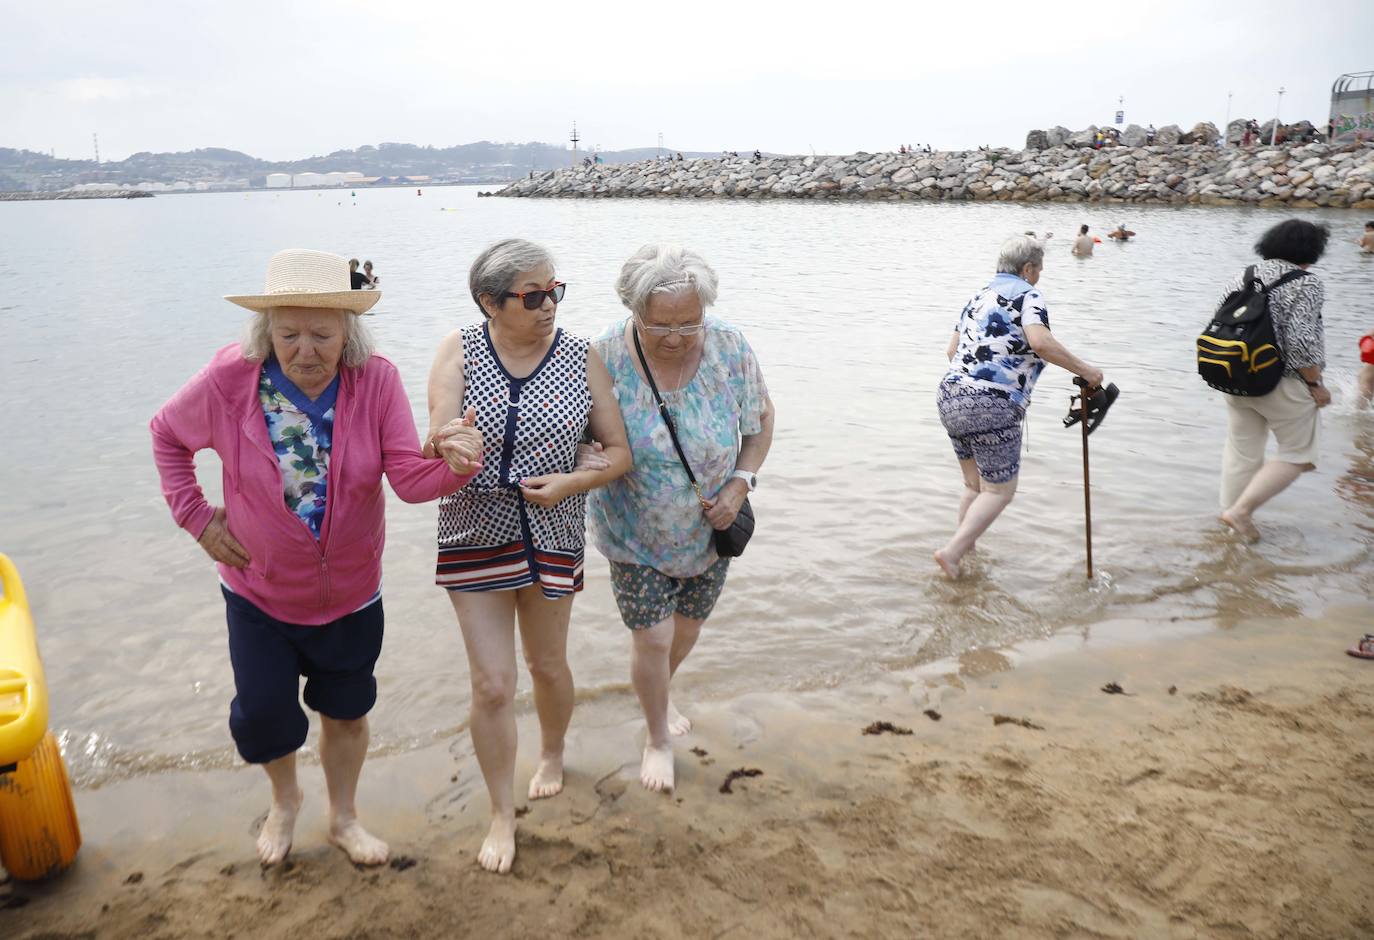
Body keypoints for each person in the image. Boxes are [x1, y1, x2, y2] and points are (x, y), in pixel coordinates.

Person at [150, 249, 483, 867]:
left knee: (347, 711)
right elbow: (167, 434)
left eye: (323, 335)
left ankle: (344, 818)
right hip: (258, 595)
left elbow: (408, 479)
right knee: (265, 715)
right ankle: (284, 802)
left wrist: (458, 464)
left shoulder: (375, 379)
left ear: (348, 332)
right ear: (265, 331)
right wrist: (195, 517)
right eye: (288, 334)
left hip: (352, 594)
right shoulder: (230, 381)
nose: (305, 350)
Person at [426, 238, 632, 874]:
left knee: (546, 665)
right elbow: (437, 433)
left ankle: (551, 750)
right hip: (473, 533)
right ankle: (499, 813)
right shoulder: (459, 348)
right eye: (533, 295)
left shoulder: (579, 355)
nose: (550, 306)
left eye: (555, 291)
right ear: (489, 302)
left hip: (553, 535)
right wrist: (447, 443)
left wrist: (575, 482)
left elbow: (619, 452)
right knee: (492, 683)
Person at [584, 245, 774, 795]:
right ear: (632, 310)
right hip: (633, 530)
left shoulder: (730, 347)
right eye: (658, 324)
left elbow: (760, 426)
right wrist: (583, 458)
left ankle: (656, 697)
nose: (675, 335)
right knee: (653, 636)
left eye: (689, 321)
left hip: (713, 525)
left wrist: (741, 483)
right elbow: (579, 436)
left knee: (686, 629)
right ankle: (656, 737)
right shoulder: (602, 354)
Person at [934, 235, 1104, 578]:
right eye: (1039, 269)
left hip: (950, 394)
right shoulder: (1028, 294)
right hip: (991, 403)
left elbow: (952, 351)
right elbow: (1040, 342)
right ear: (1028, 269)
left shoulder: (976, 296)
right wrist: (1086, 370)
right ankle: (952, 553)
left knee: (974, 486)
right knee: (999, 491)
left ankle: (966, 555)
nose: (1039, 275)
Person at [1215, 220, 1331, 542]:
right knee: (1299, 453)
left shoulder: (1245, 274)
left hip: (1236, 376)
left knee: (1242, 452)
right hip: (1282, 381)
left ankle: (1229, 519)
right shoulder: (1307, 283)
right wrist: (1315, 384)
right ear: (1311, 250)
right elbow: (1301, 341)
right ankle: (1240, 512)